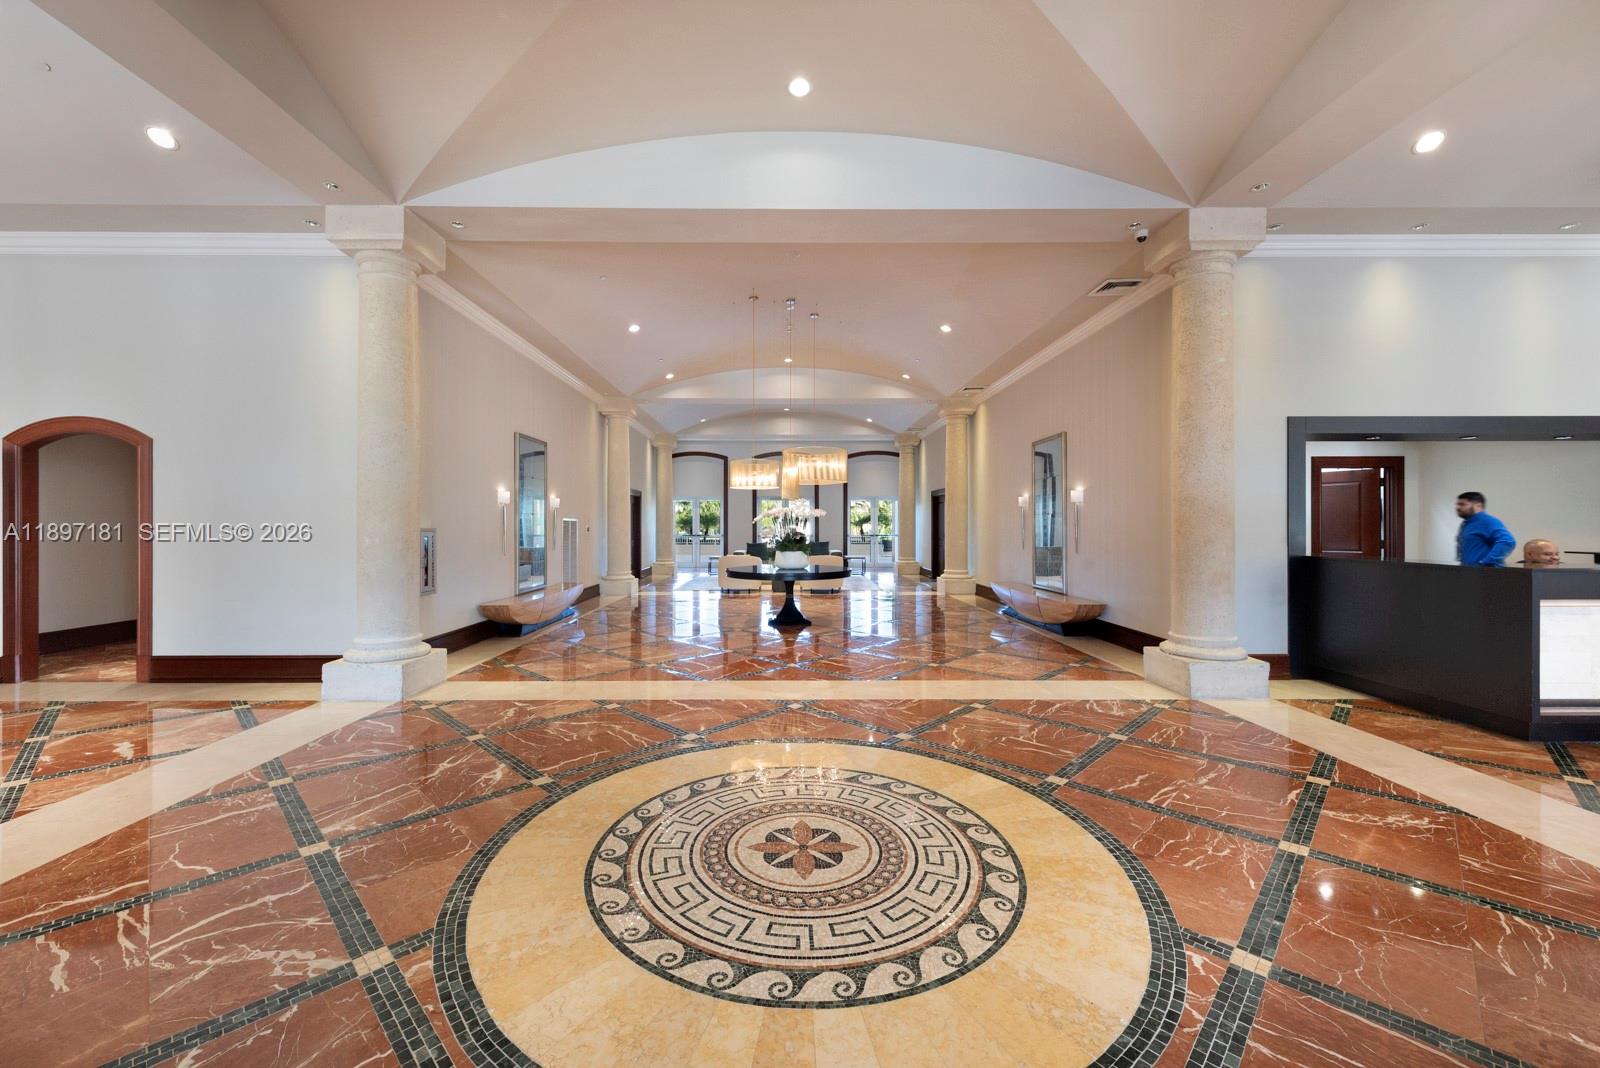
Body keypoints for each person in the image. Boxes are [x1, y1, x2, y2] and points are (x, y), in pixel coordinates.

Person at [1455, 492, 1516, 567]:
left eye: (1462, 504)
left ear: (1478, 506)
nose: (1458, 507)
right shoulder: (1466, 524)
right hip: (1469, 573)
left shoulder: (1487, 521)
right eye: (1458, 504)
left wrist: (1485, 562)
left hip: (1485, 575)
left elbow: (1507, 541)